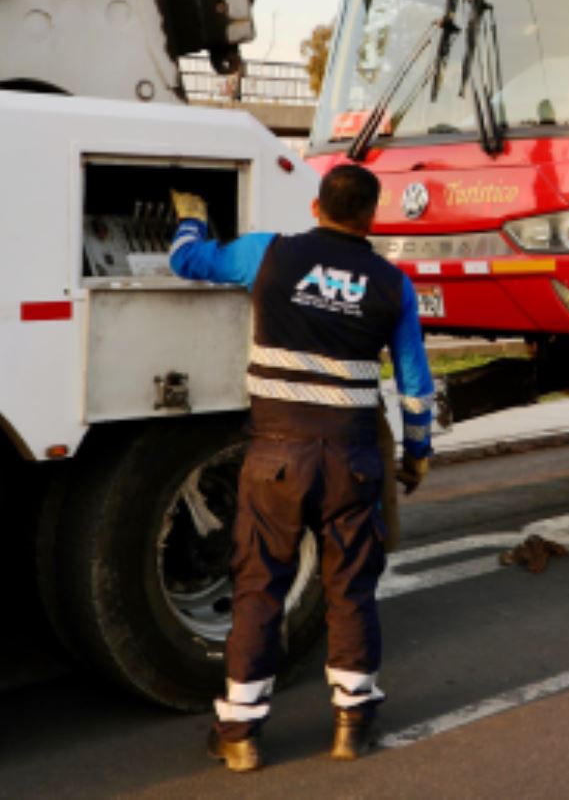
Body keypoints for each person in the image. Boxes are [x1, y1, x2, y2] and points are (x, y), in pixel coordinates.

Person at [167, 165, 435, 771]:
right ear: (372, 215)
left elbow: (187, 262)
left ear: (316, 207)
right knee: (351, 588)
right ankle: (351, 721)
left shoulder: (267, 255)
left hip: (276, 457)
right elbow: (415, 386)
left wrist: (190, 218)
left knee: (260, 585)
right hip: (352, 459)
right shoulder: (394, 285)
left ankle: (238, 731)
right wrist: (417, 453)